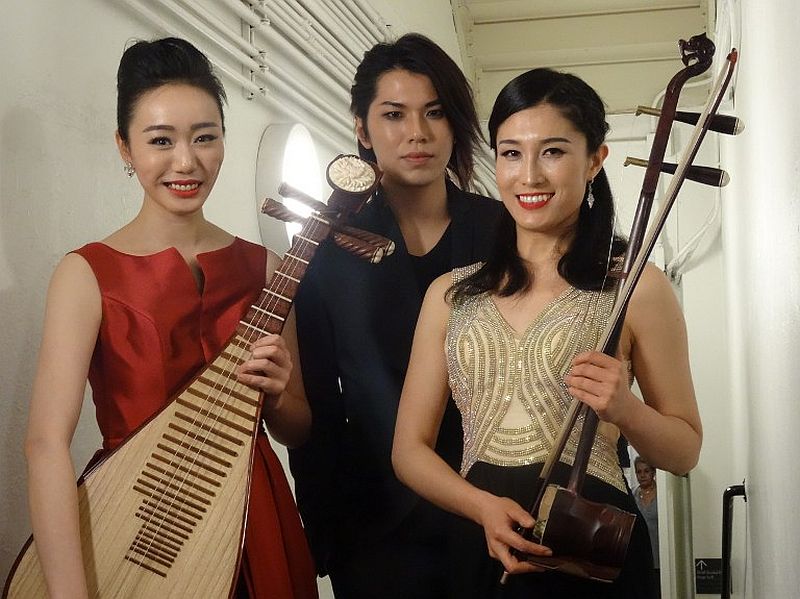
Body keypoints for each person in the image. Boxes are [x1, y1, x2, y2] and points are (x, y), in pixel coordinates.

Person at [23, 37, 317, 599]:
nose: (187, 161)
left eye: (205, 137)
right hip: (138, 521)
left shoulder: (266, 267)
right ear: (125, 148)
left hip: (256, 515)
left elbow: (296, 428)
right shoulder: (86, 274)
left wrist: (279, 394)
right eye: (161, 140)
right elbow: (44, 444)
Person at [392, 67, 702, 598]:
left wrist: (624, 409)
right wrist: (481, 507)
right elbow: (408, 450)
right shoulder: (450, 293)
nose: (529, 175)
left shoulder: (634, 285)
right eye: (511, 153)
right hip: (481, 542)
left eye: (553, 151)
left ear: (595, 160)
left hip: (588, 545)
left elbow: (684, 450)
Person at [288, 33, 503, 598]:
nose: (418, 133)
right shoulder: (326, 246)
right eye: (394, 114)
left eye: (435, 113)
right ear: (362, 128)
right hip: (374, 527)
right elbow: (321, 406)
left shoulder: (504, 232)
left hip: (495, 511)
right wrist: (321, 531)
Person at [634, 456, 660, 594]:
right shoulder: (632, 495)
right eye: (639, 472)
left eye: (646, 471)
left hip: (659, 557)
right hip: (640, 557)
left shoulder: (661, 496)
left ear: (653, 472)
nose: (643, 475)